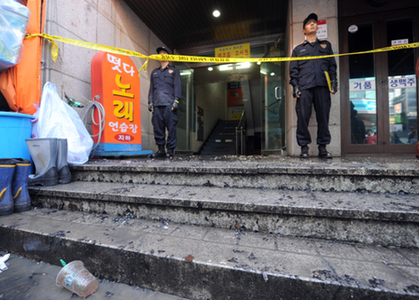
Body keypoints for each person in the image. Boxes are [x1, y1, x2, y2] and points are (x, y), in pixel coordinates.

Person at [289, 13, 337, 158]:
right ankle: (304, 148)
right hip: (304, 88)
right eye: (309, 23)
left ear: (317, 27)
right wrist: (295, 87)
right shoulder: (298, 50)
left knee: (323, 117)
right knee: (302, 117)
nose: (312, 24)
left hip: (322, 86)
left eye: (314, 22)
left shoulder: (325, 46)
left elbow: (332, 66)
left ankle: (322, 148)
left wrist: (333, 83)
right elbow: (293, 71)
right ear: (304, 30)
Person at [148, 46, 181, 159]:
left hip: (169, 104)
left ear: (168, 55)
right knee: (158, 128)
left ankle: (170, 151)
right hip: (157, 104)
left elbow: (177, 86)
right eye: (160, 53)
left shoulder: (174, 71)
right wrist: (150, 102)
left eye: (164, 53)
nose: (161, 54)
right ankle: (161, 150)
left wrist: (176, 101)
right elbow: (152, 88)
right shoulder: (154, 73)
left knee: (171, 128)